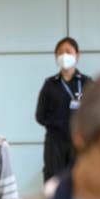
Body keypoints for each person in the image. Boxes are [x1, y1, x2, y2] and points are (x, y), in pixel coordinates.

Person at [36, 36, 92, 181]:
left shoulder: (87, 83)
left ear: (77, 55)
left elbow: (96, 113)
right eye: (60, 52)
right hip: (55, 143)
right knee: (53, 184)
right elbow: (40, 115)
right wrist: (58, 124)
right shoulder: (50, 84)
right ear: (56, 57)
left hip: (80, 142)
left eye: (69, 51)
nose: (64, 55)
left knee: (80, 183)